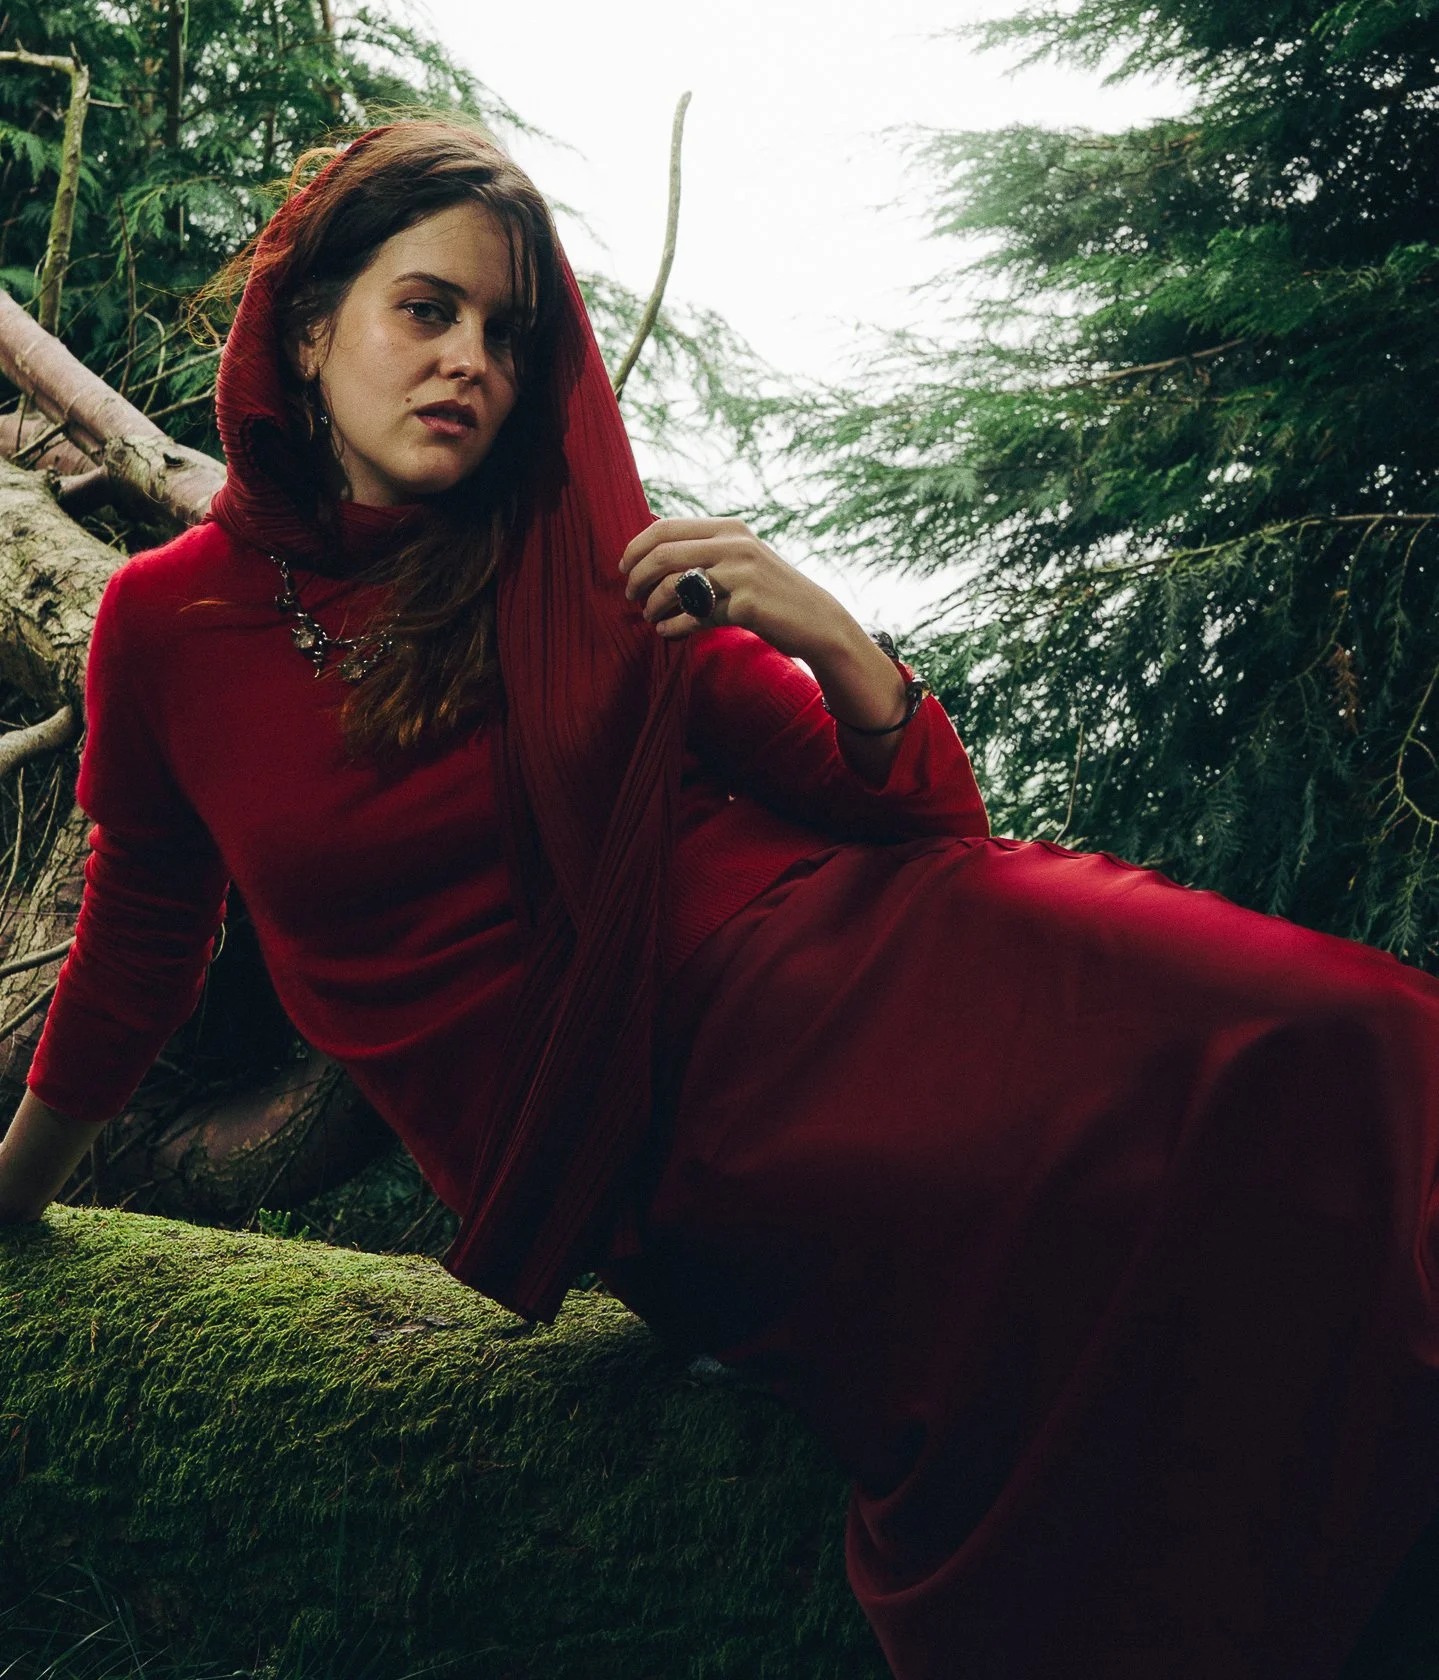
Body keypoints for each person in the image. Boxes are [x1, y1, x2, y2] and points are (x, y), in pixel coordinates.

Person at [1, 118, 1436, 1680]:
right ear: (306, 324)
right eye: (428, 309)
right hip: (660, 1128)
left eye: (507, 333)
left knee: (1331, 1034)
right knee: (1080, 1225)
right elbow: (144, 933)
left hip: (872, 955)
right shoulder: (165, 625)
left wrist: (830, 636)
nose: (470, 361)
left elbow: (922, 821)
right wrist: (19, 1186)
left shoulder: (577, 561)